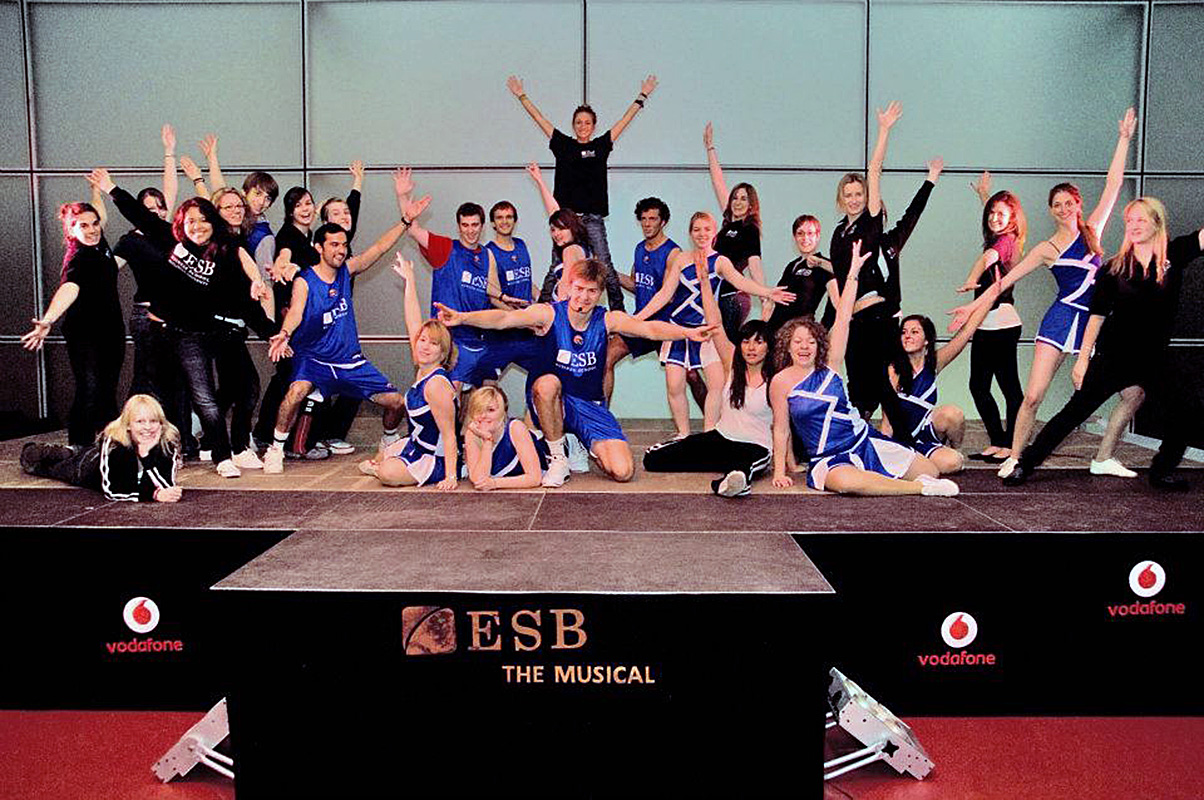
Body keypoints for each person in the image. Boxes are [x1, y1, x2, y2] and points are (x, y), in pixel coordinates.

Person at [950, 108, 1138, 478]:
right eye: (1057, 205)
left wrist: (1123, 140)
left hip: (1094, 323)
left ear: (1078, 205)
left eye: (1069, 203)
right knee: (1033, 395)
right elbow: (1002, 282)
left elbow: (1113, 184)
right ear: (1051, 211)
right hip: (1060, 319)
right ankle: (1015, 455)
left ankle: (1103, 457)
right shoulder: (1045, 249)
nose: (1064, 209)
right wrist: (972, 308)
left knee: (1133, 393)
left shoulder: (1093, 231)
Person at [435, 257, 716, 487]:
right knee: (547, 383)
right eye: (579, 288)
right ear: (570, 286)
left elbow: (649, 329)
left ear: (599, 293)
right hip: (553, 400)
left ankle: (577, 440)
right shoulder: (548, 314)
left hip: (589, 405)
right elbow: (504, 318)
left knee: (623, 471)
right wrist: (462, 317)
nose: (583, 296)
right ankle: (558, 457)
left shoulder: (607, 320)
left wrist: (688, 332)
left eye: (591, 291)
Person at [1001, 198, 1204, 488]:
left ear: (1157, 223)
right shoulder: (1113, 268)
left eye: (1140, 220)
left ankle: (1162, 471)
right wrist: (1083, 361)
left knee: (1187, 409)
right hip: (1113, 357)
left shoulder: (1175, 254)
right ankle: (1026, 464)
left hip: (1155, 358)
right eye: (1129, 221)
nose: (1133, 226)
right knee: (1074, 413)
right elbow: (1096, 317)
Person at [94, 168, 271, 477]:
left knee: (218, 395)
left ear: (213, 223)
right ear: (181, 224)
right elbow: (141, 216)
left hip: (203, 333)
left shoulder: (223, 254)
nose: (198, 226)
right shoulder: (170, 240)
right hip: (169, 333)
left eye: (204, 221)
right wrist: (111, 188)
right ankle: (196, 454)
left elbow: (243, 300)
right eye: (191, 221)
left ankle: (225, 452)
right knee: (180, 397)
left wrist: (272, 332)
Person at [769, 241, 959, 497]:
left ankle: (896, 478)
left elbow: (843, 317)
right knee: (848, 483)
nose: (804, 347)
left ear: (819, 345)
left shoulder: (830, 365)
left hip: (862, 439)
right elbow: (781, 429)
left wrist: (852, 274)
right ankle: (919, 488)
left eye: (811, 342)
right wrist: (779, 471)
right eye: (798, 342)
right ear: (787, 346)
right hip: (828, 457)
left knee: (929, 469)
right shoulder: (780, 382)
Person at [262, 211, 419, 475]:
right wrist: (285, 333)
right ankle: (275, 449)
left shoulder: (346, 271)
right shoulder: (305, 281)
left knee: (397, 402)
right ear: (319, 248)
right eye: (334, 244)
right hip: (314, 359)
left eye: (344, 245)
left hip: (349, 360)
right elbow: (297, 311)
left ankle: (389, 439)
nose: (341, 250)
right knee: (296, 392)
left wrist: (404, 222)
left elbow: (379, 248)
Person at [633, 212, 793, 439]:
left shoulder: (720, 261)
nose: (702, 234)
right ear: (690, 233)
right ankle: (683, 433)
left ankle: (710, 431)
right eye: (697, 229)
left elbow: (740, 282)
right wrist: (638, 318)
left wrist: (767, 292)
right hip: (678, 330)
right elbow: (664, 294)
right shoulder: (681, 259)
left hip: (707, 331)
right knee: (674, 385)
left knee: (717, 385)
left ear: (714, 233)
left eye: (707, 229)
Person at [827, 102, 941, 419]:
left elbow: (878, 175)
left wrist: (884, 130)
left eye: (859, 194)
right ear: (841, 200)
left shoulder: (872, 224)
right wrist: (840, 315)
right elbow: (838, 276)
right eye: (848, 195)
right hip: (853, 318)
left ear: (868, 199)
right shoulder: (838, 234)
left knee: (882, 382)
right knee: (857, 386)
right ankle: (859, 432)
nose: (854, 199)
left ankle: (899, 435)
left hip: (879, 317)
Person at [643, 246, 779, 497]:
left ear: (768, 347)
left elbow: (782, 426)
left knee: (743, 467)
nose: (751, 348)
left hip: (755, 447)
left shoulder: (775, 379)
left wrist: (782, 469)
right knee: (653, 460)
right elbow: (715, 323)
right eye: (746, 342)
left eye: (758, 342)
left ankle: (735, 482)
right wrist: (705, 282)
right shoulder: (732, 364)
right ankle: (727, 471)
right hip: (722, 439)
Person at [507, 73, 658, 276]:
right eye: (578, 122)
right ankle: (549, 297)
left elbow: (624, 120)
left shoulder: (600, 146)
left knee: (604, 264)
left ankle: (616, 298)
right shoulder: (563, 145)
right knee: (558, 265)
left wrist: (642, 95)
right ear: (573, 125)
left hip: (593, 217)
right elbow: (539, 118)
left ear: (594, 126)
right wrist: (521, 95)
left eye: (587, 122)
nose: (583, 126)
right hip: (566, 220)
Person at [22, 198, 125, 447]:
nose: (92, 230)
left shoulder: (101, 245)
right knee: (89, 391)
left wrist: (96, 191)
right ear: (70, 230)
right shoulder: (79, 258)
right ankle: (78, 448)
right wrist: (48, 319)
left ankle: (108, 450)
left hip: (111, 332)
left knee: (107, 392)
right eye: (83, 226)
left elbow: (100, 217)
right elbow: (70, 288)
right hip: (86, 336)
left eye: (94, 224)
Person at [358, 255, 459, 489]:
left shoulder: (436, 384)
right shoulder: (422, 365)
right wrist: (410, 280)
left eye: (433, 343)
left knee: (387, 473)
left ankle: (386, 468)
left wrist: (451, 476)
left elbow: (449, 434)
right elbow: (413, 320)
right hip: (416, 445)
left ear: (443, 352)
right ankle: (388, 461)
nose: (424, 346)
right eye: (422, 340)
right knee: (382, 455)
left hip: (435, 457)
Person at [880, 286, 1000, 475]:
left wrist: (990, 298)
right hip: (901, 438)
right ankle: (916, 463)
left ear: (927, 340)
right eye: (904, 332)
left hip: (925, 433)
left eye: (914, 332)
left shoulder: (934, 363)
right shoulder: (893, 369)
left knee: (953, 432)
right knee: (920, 468)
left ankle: (951, 451)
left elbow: (966, 332)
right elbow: (887, 422)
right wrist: (886, 449)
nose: (907, 336)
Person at [957, 172, 1027, 462]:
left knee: (1010, 387)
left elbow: (988, 258)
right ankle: (998, 440)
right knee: (978, 386)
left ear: (1012, 219)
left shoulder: (1007, 241)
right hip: (986, 323)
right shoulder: (999, 236)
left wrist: (972, 277)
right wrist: (984, 196)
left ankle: (1011, 444)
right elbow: (993, 219)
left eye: (1001, 214)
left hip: (1002, 322)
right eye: (991, 213)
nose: (994, 218)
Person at [403, 194, 504, 390]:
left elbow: (494, 296)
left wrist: (520, 316)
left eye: (475, 225)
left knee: (488, 390)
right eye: (465, 225)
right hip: (449, 338)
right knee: (452, 388)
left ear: (482, 226)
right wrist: (402, 196)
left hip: (478, 337)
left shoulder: (487, 255)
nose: (470, 230)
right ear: (458, 226)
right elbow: (413, 230)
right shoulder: (446, 248)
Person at [20, 394, 182, 503]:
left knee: (77, 453)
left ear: (161, 423)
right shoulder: (115, 442)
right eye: (140, 421)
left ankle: (74, 450)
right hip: (87, 468)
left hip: (96, 454)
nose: (147, 427)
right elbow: (112, 490)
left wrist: (146, 455)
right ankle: (36, 451)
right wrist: (153, 494)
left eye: (153, 421)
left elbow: (167, 486)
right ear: (128, 425)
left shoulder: (167, 443)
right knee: (51, 467)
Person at [606, 197, 681, 401]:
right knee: (606, 358)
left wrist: (637, 319)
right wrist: (609, 271)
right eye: (644, 219)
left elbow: (668, 295)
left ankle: (714, 419)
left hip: (665, 324)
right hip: (642, 323)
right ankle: (601, 416)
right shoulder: (640, 249)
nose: (647, 224)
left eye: (652, 219)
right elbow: (635, 285)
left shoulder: (673, 253)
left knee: (689, 376)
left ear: (663, 222)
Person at [527, 162, 623, 310]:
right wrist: (539, 180)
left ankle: (619, 309)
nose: (556, 234)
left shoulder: (570, 250)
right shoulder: (580, 247)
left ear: (572, 227)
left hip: (563, 311)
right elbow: (554, 210)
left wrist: (557, 310)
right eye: (553, 230)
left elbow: (566, 282)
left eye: (561, 229)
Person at [704, 123, 765, 341]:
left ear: (751, 205)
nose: (738, 202)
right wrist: (710, 148)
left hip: (733, 297)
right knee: (714, 347)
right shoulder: (729, 223)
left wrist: (765, 296)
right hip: (718, 293)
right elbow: (718, 182)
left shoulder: (749, 230)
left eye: (744, 199)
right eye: (735, 198)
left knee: (726, 348)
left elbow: (755, 264)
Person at [763, 214, 839, 339]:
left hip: (799, 333)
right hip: (775, 331)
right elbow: (777, 297)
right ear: (794, 237)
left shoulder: (824, 266)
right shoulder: (791, 266)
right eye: (800, 233)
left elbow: (837, 304)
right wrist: (767, 311)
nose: (805, 238)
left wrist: (824, 332)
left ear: (818, 236)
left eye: (810, 233)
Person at [461, 385, 548, 491]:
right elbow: (478, 480)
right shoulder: (472, 434)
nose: (483, 416)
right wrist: (487, 441)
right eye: (478, 410)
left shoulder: (516, 428)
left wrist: (495, 483)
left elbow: (534, 478)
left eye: (491, 410)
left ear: (503, 412)